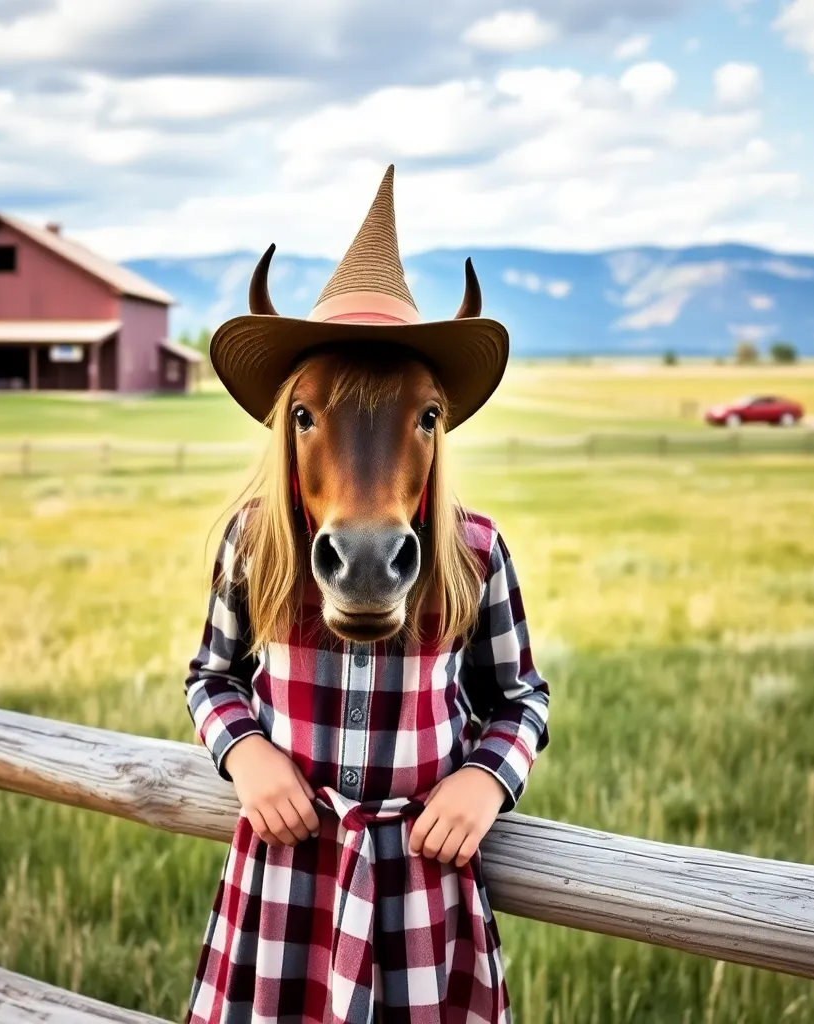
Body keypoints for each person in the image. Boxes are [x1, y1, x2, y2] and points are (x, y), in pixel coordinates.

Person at [185, 166, 549, 1024]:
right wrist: (246, 754)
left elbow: (521, 697)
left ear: (436, 431)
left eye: (417, 417)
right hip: (287, 876)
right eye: (313, 416)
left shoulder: (475, 553)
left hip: (420, 887)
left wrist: (485, 782)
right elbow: (211, 675)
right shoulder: (255, 544)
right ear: (289, 429)